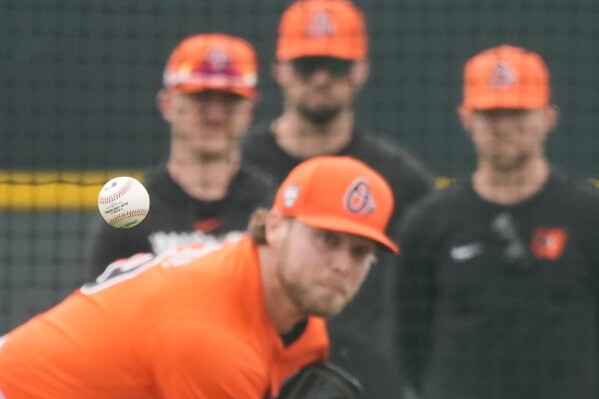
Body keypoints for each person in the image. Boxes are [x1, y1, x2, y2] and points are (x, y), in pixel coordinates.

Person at [0, 155, 398, 399]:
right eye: (326, 239)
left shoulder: (298, 326)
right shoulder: (213, 337)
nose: (343, 264)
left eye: (360, 252)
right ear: (276, 227)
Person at [242, 0, 435, 397]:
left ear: (360, 70)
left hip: (365, 381)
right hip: (254, 374)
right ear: (279, 69)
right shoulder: (241, 168)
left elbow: (429, 294)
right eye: (306, 65)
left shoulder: (399, 179)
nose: (320, 79)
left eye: (336, 66)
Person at [396, 44, 599, 399]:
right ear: (465, 117)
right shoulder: (428, 223)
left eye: (518, 112)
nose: (504, 126)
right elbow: (409, 342)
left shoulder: (588, 217)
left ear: (548, 117)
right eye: (491, 113)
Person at [84, 33, 275, 280]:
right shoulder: (129, 214)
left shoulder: (272, 208)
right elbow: (101, 312)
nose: (215, 115)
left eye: (230, 99)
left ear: (249, 111)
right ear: (167, 104)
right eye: (201, 97)